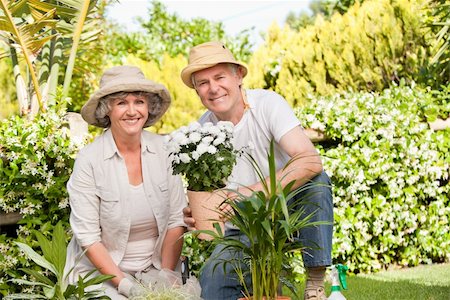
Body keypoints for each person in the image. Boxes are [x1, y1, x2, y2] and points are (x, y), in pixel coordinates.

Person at [180, 41, 334, 300]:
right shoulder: (201, 133)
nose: (213, 88)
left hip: (288, 210)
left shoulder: (267, 104)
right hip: (243, 227)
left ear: (238, 76)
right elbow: (207, 196)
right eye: (203, 83)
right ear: (196, 90)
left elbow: (310, 160)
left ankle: (315, 280)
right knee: (214, 281)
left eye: (219, 77)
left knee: (316, 182)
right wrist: (196, 212)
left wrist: (248, 194)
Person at [65, 66, 187, 299]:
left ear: (148, 107)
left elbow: (176, 220)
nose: (132, 111)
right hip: (101, 277)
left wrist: (167, 278)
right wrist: (128, 288)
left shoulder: (165, 151)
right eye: (121, 103)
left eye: (139, 101)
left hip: (155, 270)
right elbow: (88, 238)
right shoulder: (89, 161)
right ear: (106, 110)